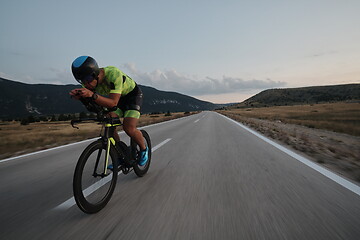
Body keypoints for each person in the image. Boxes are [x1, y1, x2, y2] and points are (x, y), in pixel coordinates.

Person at [69, 56, 149, 166]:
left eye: (87, 80)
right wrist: (82, 98)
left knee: (128, 127)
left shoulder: (113, 74)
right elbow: (95, 106)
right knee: (109, 122)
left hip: (132, 96)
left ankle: (144, 149)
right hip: (117, 99)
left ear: (95, 73)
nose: (85, 84)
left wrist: (92, 95)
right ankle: (120, 154)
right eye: (81, 81)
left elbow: (113, 103)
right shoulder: (88, 82)